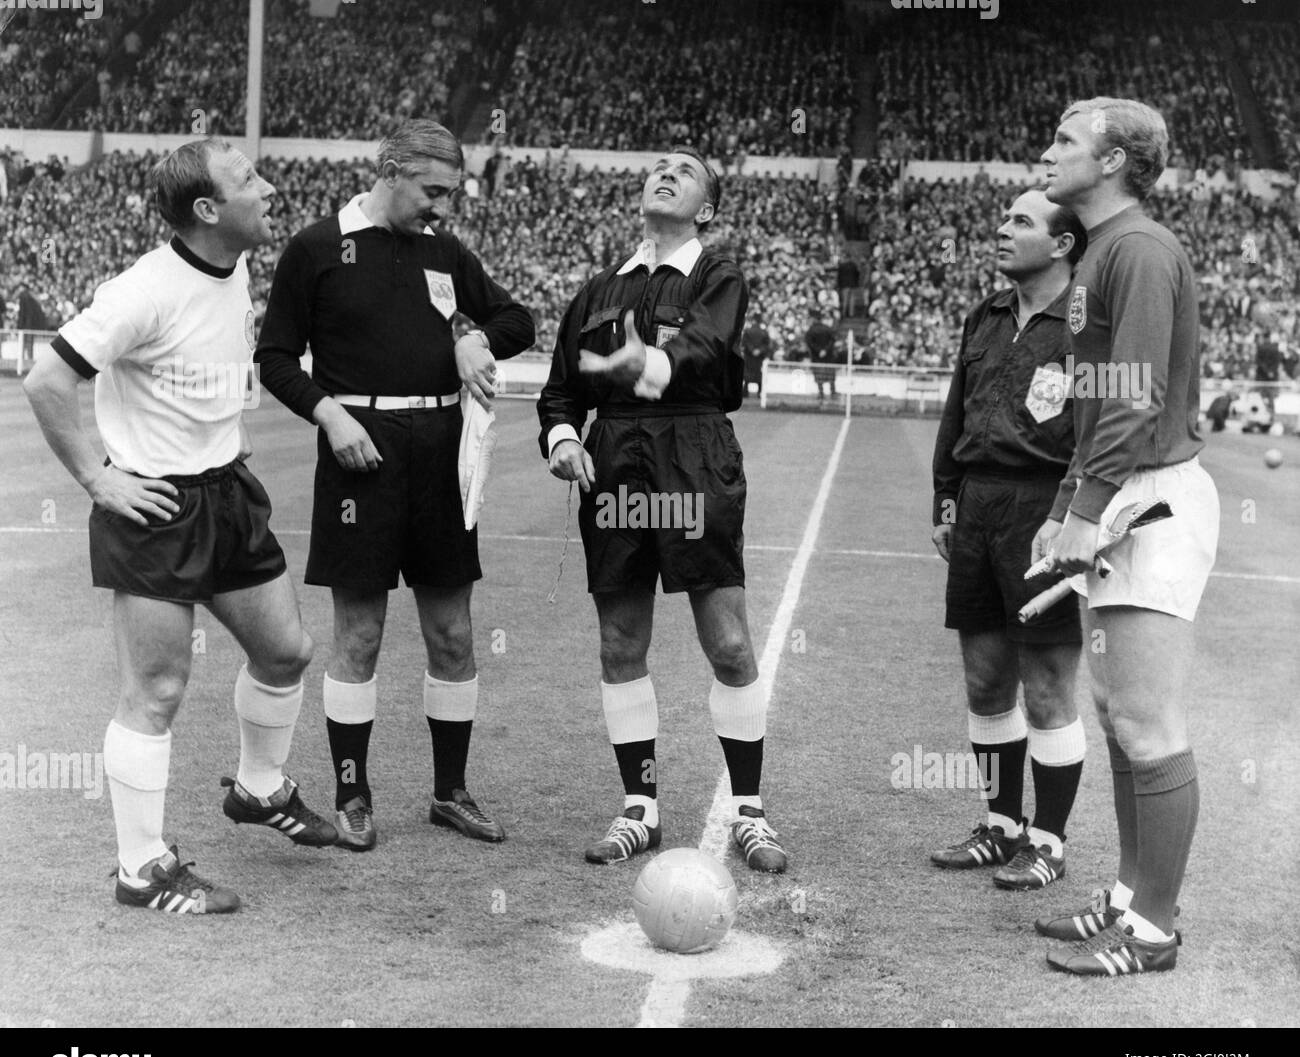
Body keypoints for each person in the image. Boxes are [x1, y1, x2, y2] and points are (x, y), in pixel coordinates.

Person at [23, 137, 337, 916]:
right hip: (157, 508)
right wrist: (99, 478)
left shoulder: (234, 266)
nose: (269, 188)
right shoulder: (142, 290)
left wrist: (225, 433)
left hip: (226, 492)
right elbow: (48, 377)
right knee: (157, 690)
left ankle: (259, 789)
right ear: (207, 210)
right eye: (248, 180)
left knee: (287, 651)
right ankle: (142, 869)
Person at [256, 119, 534, 852]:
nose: (442, 207)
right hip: (359, 456)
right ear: (390, 170)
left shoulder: (444, 252)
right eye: (432, 190)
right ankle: (353, 793)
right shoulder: (317, 248)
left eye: (450, 193)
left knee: (452, 630)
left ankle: (450, 792)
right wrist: (330, 415)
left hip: (440, 455)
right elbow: (275, 357)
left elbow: (519, 319)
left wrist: (476, 337)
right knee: (361, 634)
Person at [539, 147, 787, 874]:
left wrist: (645, 365)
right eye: (658, 166)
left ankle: (748, 809)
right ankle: (639, 807)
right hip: (614, 462)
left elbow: (708, 348)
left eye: (685, 170)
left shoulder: (718, 274)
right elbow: (560, 390)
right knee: (620, 643)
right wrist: (560, 439)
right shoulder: (597, 290)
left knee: (730, 643)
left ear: (706, 208)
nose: (666, 172)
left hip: (693, 452)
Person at [1035, 98, 1218, 976]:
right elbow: (1098, 402)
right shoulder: (1105, 250)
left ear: (1111, 162)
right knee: (1114, 717)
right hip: (1119, 495)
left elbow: (1136, 395)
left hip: (1151, 500)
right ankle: (1128, 895)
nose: (1048, 151)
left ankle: (1154, 928)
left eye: (1066, 140)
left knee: (1148, 720)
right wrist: (1068, 499)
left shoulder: (1137, 249)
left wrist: (1084, 508)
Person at [930, 189, 1089, 892]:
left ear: (1061, 244)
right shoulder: (986, 314)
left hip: (1042, 507)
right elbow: (956, 409)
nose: (1001, 229)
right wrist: (944, 492)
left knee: (1048, 683)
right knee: (986, 677)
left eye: (1020, 221)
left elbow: (1099, 431)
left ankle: (1049, 840)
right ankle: (1001, 824)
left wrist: (1074, 513)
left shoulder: (1087, 323)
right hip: (978, 504)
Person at [806, 312, 837, 403]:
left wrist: (818, 350)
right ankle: (833, 392)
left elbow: (810, 343)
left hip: (816, 357)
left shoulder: (810, 331)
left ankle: (821, 393)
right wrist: (825, 350)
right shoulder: (827, 329)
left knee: (819, 375)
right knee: (830, 374)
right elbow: (832, 340)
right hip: (828, 357)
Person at [741, 317, 772, 397]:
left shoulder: (747, 331)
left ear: (753, 321)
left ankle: (745, 392)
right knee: (759, 373)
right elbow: (767, 344)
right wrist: (759, 350)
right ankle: (759, 392)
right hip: (759, 357)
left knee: (747, 373)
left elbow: (744, 342)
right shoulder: (764, 332)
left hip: (749, 356)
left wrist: (752, 350)